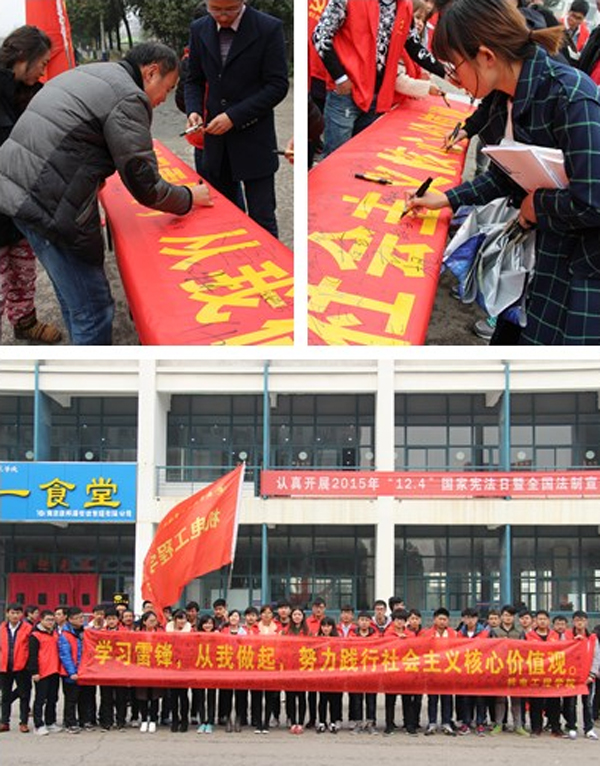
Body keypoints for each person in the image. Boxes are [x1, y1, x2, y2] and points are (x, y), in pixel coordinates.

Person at [408, 0, 600, 345]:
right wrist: (446, 199)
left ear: (485, 56)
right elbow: (504, 174)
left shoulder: (571, 96)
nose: (454, 78)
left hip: (574, 269)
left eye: (454, 66)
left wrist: (536, 206)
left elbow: (594, 200)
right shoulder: (503, 96)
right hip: (535, 256)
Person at [0, 42, 213, 345]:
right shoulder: (128, 96)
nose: (164, 99)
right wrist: (189, 197)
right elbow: (145, 185)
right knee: (93, 308)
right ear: (151, 72)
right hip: (48, 205)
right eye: (167, 88)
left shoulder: (96, 72)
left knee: (72, 295)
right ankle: (91, 371)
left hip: (17, 191)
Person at [184, 0, 289, 238]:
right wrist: (193, 111)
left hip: (254, 137)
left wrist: (234, 116)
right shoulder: (199, 29)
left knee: (262, 218)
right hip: (216, 141)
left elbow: (277, 86)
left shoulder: (267, 28)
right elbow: (194, 80)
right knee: (224, 216)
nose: (222, 16)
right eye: (215, 9)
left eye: (230, 10)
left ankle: (268, 260)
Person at [312, 0, 447, 156]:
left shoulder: (405, 6)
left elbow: (414, 46)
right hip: (346, 94)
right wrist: (340, 78)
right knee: (335, 158)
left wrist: (446, 73)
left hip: (378, 98)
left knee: (362, 158)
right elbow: (320, 35)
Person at [0, 25, 61, 345]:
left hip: (20, 203)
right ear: (23, 57)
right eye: (42, 63)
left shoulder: (32, 92)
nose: (43, 70)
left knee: (23, 269)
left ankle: (25, 322)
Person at [488, 605, 527, 736]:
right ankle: (499, 724)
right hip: (500, 668)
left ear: (514, 617)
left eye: (510, 616)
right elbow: (489, 648)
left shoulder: (520, 632)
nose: (508, 618)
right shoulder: (494, 631)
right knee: (500, 698)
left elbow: (524, 649)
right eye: (505, 615)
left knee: (516, 699)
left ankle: (518, 725)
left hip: (515, 668)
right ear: (501, 617)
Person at [58, 606, 95, 733]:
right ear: (70, 619)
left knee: (85, 698)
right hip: (71, 673)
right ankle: (70, 723)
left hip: (85, 671)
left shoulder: (86, 632)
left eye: (82, 617)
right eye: (78, 618)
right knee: (71, 699)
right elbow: (65, 655)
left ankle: (85, 720)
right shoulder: (65, 635)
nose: (81, 620)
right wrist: (72, 672)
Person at [27, 610, 61, 735]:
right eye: (47, 620)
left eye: (52, 620)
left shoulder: (55, 634)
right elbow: (32, 655)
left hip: (54, 671)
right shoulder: (35, 635)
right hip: (42, 672)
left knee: (53, 698)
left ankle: (50, 722)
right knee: (40, 699)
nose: (50, 622)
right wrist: (34, 672)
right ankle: (38, 725)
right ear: (41, 620)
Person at [0, 603, 32, 733]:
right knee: (5, 695)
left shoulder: (28, 628)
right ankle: (4, 722)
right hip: (5, 666)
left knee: (24, 695)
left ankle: (23, 722)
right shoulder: (2, 628)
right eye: (12, 613)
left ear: (21, 615)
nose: (15, 615)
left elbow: (31, 648)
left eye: (18, 613)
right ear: (7, 613)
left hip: (22, 667)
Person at [134, 611, 163, 733]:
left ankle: (154, 719)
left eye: (154, 621)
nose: (153, 623)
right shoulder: (137, 634)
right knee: (142, 695)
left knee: (154, 695)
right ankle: (144, 719)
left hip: (156, 668)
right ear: (144, 622)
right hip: (142, 668)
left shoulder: (161, 634)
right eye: (150, 621)